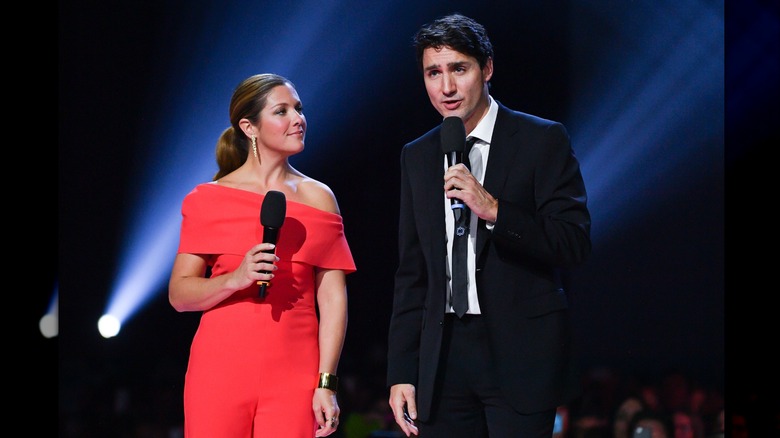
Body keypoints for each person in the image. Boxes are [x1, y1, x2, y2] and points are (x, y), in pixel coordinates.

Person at [386, 13, 592, 437]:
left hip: (520, 354)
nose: (446, 87)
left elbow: (573, 242)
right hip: (442, 358)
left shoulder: (541, 139)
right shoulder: (418, 155)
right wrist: (402, 371)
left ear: (487, 68)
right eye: (433, 73)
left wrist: (495, 209)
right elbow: (413, 272)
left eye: (459, 69)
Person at [168, 73, 356, 437]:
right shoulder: (208, 199)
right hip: (220, 366)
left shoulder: (320, 197)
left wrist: (327, 382)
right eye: (282, 111)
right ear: (249, 127)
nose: (298, 119)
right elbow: (180, 295)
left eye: (299, 109)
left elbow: (332, 297)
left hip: (296, 369)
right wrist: (234, 278)